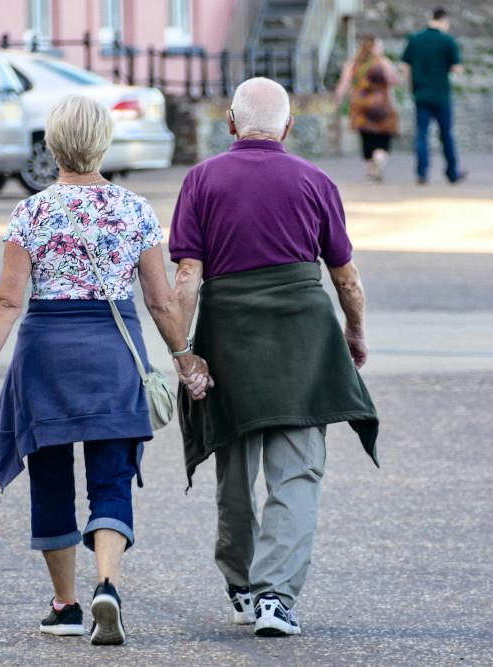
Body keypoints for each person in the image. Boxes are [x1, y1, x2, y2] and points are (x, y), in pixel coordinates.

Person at [0, 95, 210, 646]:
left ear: (52, 145)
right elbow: (162, 303)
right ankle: (109, 587)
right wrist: (186, 362)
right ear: (103, 143)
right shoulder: (136, 210)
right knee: (112, 480)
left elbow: (6, 301)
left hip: (45, 359)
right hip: (113, 356)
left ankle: (66, 605)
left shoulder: (32, 211)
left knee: (50, 479)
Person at [170, 77, 380, 638]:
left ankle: (241, 585)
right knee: (297, 473)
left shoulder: (202, 180)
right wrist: (354, 334)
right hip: (302, 341)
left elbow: (187, 275)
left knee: (234, 470)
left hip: (229, 337)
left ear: (232, 125)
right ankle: (275, 600)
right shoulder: (315, 180)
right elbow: (346, 277)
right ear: (288, 127)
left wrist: (183, 351)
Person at [401, 6, 466, 185]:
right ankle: (452, 173)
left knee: (422, 134)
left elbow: (404, 67)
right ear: (444, 20)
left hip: (421, 94)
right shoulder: (447, 41)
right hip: (441, 95)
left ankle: (422, 172)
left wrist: (414, 83)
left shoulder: (415, 39)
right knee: (446, 134)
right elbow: (457, 68)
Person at [335, 34, 401, 182]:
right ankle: (379, 159)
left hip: (360, 105)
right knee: (383, 136)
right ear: (375, 48)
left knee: (366, 137)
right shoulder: (383, 62)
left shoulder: (352, 64)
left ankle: (370, 171)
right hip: (382, 104)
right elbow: (394, 80)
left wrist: (338, 101)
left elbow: (343, 85)